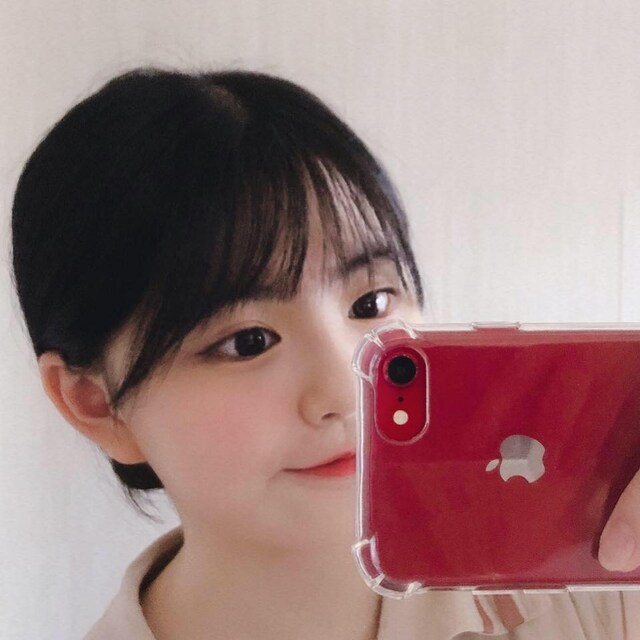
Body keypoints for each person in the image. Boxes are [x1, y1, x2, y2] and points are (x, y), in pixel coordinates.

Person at [10, 68, 640, 639]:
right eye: (247, 342)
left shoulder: (595, 588)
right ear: (96, 404)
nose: (345, 391)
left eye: (371, 303)